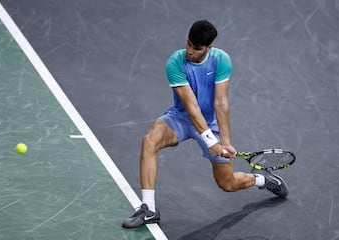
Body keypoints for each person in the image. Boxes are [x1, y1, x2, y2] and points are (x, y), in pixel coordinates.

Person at [122, 20, 289, 229]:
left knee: (228, 184)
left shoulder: (221, 60)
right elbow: (191, 107)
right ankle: (149, 209)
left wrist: (224, 142)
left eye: (197, 48)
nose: (190, 51)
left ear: (209, 48)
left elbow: (220, 102)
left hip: (211, 122)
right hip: (181, 117)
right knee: (149, 141)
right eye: (189, 44)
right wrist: (211, 141)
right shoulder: (175, 62)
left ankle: (262, 180)